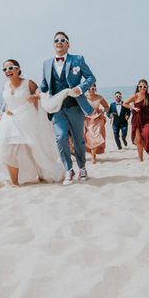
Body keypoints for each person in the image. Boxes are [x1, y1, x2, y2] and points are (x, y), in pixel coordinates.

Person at [0, 60, 64, 187]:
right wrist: (6, 110)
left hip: (27, 120)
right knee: (8, 149)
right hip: (10, 122)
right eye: (4, 69)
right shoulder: (5, 86)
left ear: (18, 69)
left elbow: (42, 95)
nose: (7, 71)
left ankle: (42, 173)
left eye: (10, 68)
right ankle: (15, 182)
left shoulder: (28, 83)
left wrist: (35, 97)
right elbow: (6, 104)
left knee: (33, 149)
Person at [39, 31, 96, 185]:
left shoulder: (78, 59)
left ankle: (82, 167)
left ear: (68, 44)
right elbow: (44, 85)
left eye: (63, 40)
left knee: (78, 140)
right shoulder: (46, 63)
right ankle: (69, 169)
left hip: (75, 106)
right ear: (53, 44)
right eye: (56, 40)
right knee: (61, 137)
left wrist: (81, 87)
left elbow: (91, 78)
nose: (59, 42)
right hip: (56, 108)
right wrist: (37, 92)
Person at [123, 79, 149, 161]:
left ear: (147, 87)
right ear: (138, 87)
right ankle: (141, 158)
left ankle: (148, 150)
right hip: (137, 119)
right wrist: (133, 107)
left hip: (147, 119)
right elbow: (124, 104)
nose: (142, 88)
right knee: (139, 140)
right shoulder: (135, 96)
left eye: (144, 86)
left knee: (147, 134)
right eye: (140, 86)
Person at [84, 84, 109, 164]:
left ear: (95, 88)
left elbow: (107, 107)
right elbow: (80, 108)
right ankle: (93, 154)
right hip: (87, 120)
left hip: (98, 119)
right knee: (89, 137)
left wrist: (102, 111)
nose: (91, 90)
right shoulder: (84, 98)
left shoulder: (99, 97)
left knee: (96, 136)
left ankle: (93, 156)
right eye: (89, 89)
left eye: (93, 88)